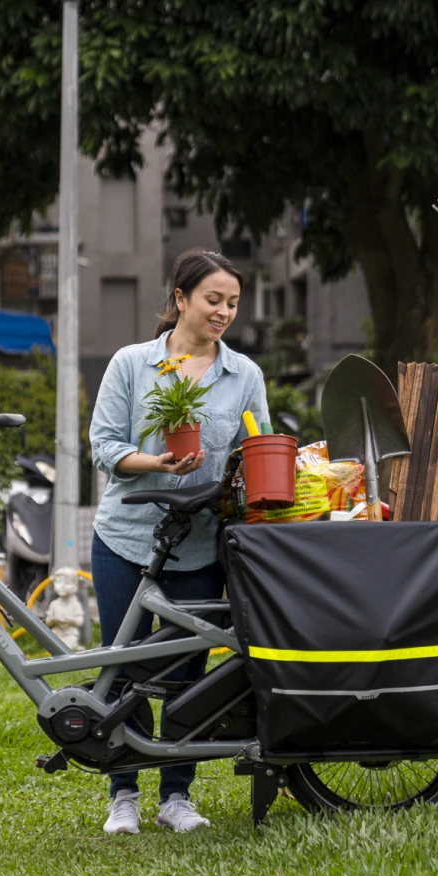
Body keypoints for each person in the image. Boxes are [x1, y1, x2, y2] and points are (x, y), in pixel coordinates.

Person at [87, 248, 270, 835]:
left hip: (199, 544)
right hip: (125, 537)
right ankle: (123, 794)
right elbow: (104, 445)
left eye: (233, 303)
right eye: (213, 300)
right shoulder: (132, 364)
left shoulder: (243, 376)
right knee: (123, 667)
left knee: (188, 672)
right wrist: (156, 463)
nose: (223, 312)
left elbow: (256, 449)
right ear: (181, 298)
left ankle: (176, 796)